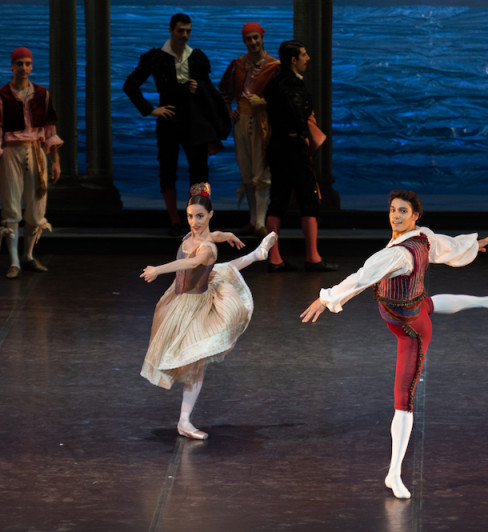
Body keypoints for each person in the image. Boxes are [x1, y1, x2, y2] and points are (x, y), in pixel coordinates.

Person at [301, 190, 488, 499]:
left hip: (411, 331)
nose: (396, 216)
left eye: (403, 211)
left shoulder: (399, 254)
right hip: (411, 306)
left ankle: (394, 473)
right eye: (393, 210)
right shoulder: (423, 238)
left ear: (416, 216)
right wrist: (470, 246)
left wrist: (325, 299)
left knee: (403, 400)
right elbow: (445, 245)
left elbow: (361, 278)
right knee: (428, 305)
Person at [140, 183, 277, 440]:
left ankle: (184, 421)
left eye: (200, 216)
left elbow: (192, 261)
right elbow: (215, 236)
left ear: (210, 215)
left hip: (197, 306)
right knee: (223, 270)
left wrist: (158, 269)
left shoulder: (206, 249)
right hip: (179, 301)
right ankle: (257, 255)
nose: (194, 221)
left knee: (196, 364)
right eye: (190, 216)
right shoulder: (199, 237)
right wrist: (227, 235)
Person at [123, 12, 230, 236]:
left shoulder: (197, 57)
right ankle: (174, 219)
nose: (184, 35)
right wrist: (151, 110)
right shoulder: (157, 57)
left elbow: (208, 89)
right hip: (170, 120)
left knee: (200, 172)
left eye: (188, 31)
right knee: (167, 169)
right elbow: (130, 85)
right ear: (171, 30)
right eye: (180, 31)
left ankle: (198, 220)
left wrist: (198, 88)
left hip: (195, 122)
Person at [263, 40, 337, 272]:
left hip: (276, 147)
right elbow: (296, 115)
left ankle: (274, 259)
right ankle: (312, 258)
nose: (308, 58)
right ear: (293, 60)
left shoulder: (273, 83)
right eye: (304, 55)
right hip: (293, 148)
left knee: (277, 201)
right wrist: (303, 136)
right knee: (308, 202)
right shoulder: (293, 86)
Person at [0, 47, 62, 279]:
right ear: (12, 65)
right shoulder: (3, 95)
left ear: (32, 66)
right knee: (11, 206)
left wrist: (55, 160)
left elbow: (50, 130)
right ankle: (14, 261)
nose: (23, 68)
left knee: (36, 209)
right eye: (19, 64)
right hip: (11, 152)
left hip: (35, 152)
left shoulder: (41, 94)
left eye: (27, 64)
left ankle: (27, 255)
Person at [219, 22, 280, 238]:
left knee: (261, 173)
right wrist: (229, 110)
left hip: (263, 121)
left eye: (256, 38)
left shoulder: (274, 66)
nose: (253, 42)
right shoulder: (238, 64)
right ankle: (253, 220)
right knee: (247, 172)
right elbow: (224, 91)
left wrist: (263, 103)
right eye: (249, 39)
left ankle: (261, 222)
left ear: (262, 38)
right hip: (242, 120)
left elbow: (282, 97)